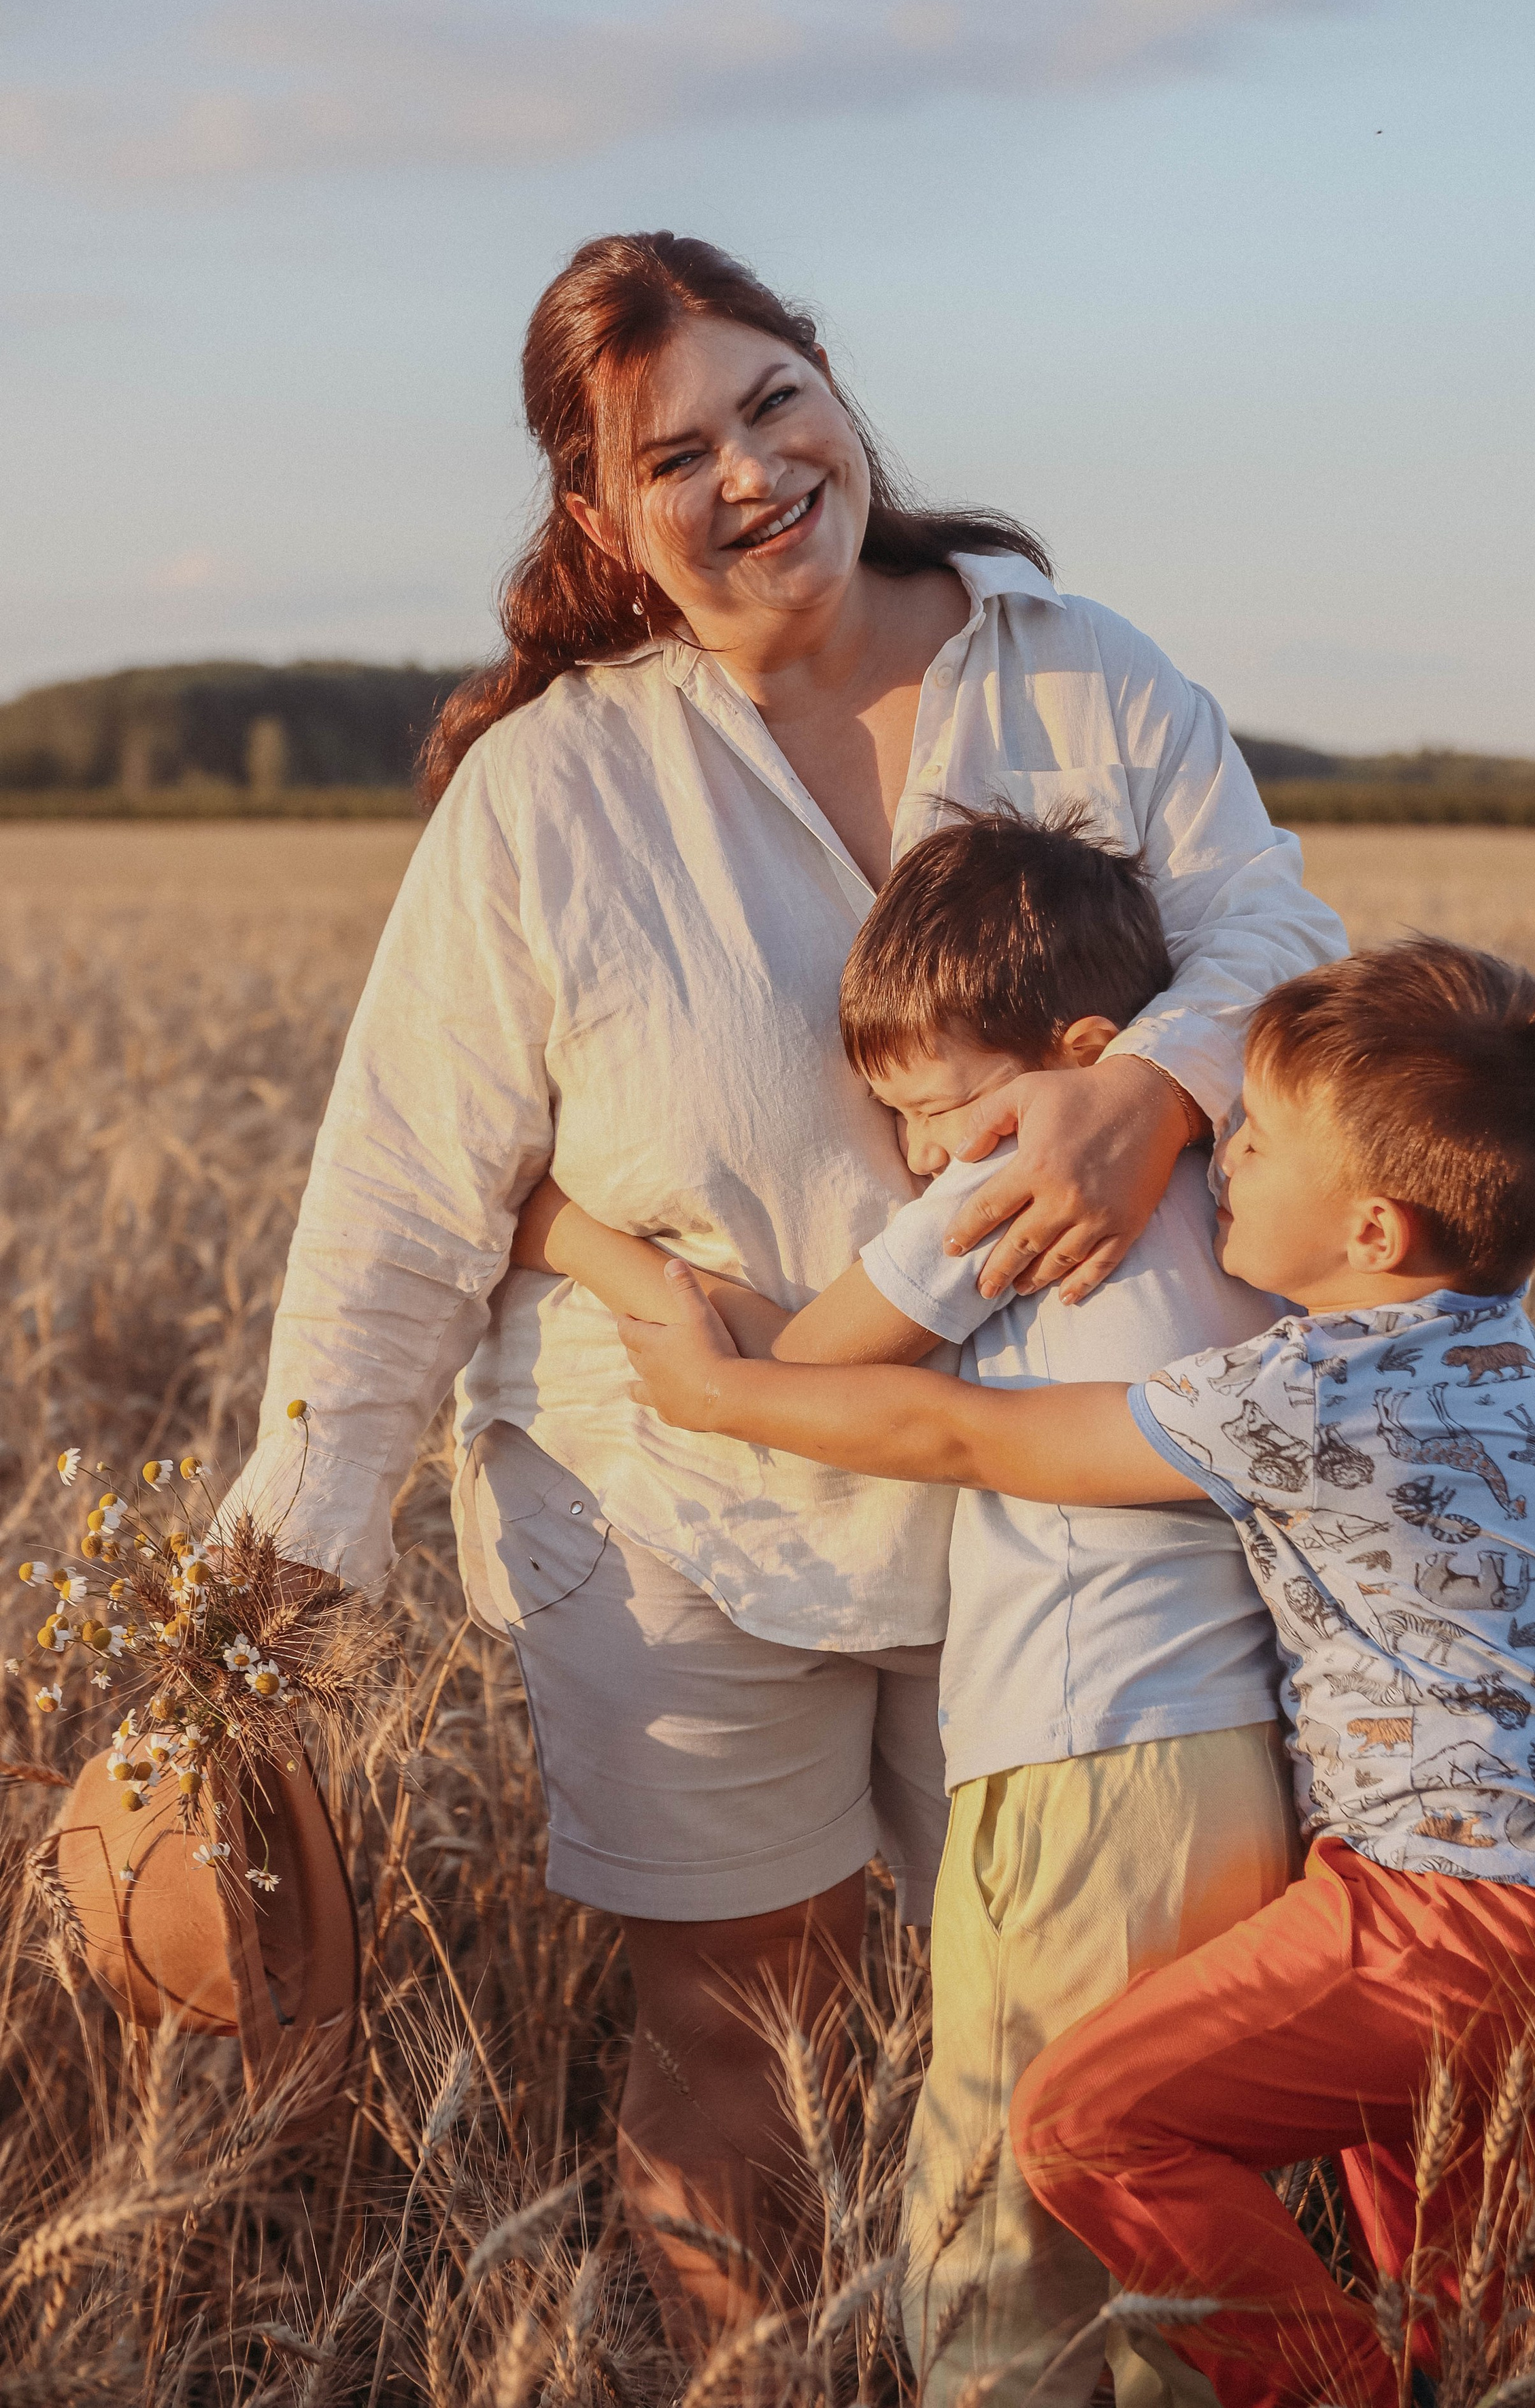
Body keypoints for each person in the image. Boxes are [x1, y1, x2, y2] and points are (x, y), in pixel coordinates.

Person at [229, 230, 1345, 2345]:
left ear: (835, 389)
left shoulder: (1075, 664)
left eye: (775, 401)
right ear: (600, 515)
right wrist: (267, 1589)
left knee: (1061, 2065)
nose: (754, 470)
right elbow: (408, 1182)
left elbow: (1277, 931)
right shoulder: (553, 788)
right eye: (680, 451)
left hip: (1041, 1525)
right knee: (741, 2049)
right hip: (674, 1522)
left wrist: (1159, 1093)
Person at [616, 939, 1535, 2408]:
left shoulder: (1310, 1390)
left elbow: (972, 1439)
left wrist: (724, 1394)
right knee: (1475, 2331)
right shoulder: (1509, 1364)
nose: (1216, 1154)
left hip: (1441, 1923)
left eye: (1254, 1138)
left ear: (1370, 1227)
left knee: (1084, 2126)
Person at [513, 804, 1300, 2408]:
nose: (924, 1154)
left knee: (1002, 2190)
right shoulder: (1234, 1193)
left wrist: (595, 1255)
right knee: (1175, 2169)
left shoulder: (1022, 1181)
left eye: (938, 1107)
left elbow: (809, 1360)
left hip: (1078, 1765)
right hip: (1242, 1766)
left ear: (1083, 1052)